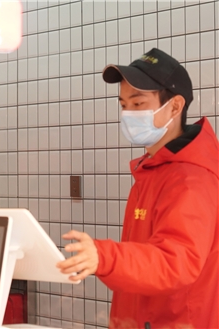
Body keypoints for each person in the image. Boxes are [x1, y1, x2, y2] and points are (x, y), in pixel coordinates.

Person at [57, 48, 218, 328]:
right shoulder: (154, 169)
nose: (128, 114)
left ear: (176, 106)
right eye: (123, 105)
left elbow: (176, 261)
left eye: (138, 103)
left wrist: (104, 257)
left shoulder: (191, 179)